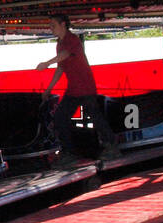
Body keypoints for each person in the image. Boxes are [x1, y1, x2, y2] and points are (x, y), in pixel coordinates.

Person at [37, 14, 119, 163]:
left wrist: (47, 63)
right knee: (61, 117)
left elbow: (65, 55)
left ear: (63, 25)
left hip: (85, 87)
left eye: (53, 25)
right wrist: (49, 89)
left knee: (95, 117)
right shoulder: (59, 43)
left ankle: (111, 146)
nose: (51, 29)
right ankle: (70, 152)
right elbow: (61, 67)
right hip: (73, 89)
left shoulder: (72, 40)